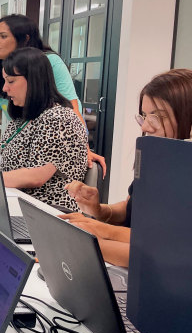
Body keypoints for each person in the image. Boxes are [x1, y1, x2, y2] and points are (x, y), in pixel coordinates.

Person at [60, 69, 192, 267]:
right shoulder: (156, 157)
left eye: (156, 118)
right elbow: (132, 208)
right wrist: (100, 210)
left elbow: (166, 250)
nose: (146, 127)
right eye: (144, 116)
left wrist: (94, 236)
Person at [0, 14, 106, 176]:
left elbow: (71, 106)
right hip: (25, 140)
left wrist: (83, 148)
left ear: (25, 39)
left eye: (3, 36)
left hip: (48, 144)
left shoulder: (47, 63)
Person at [0, 48, 88, 211]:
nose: (5, 89)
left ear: (34, 80)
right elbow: (2, 151)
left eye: (11, 81)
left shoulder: (60, 118)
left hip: (48, 212)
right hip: (14, 202)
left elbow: (36, 176)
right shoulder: (24, 116)